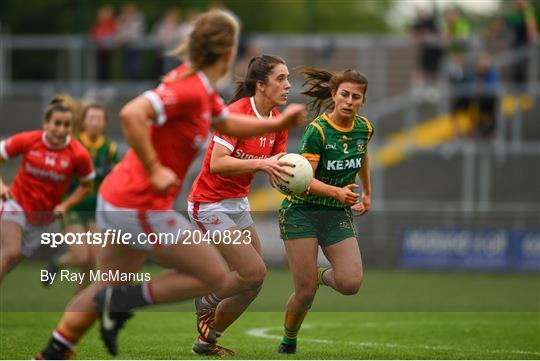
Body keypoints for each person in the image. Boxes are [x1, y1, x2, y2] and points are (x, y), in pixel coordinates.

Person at [35, 9, 306, 360]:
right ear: (226, 53)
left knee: (108, 282)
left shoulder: (204, 92)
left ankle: (54, 350)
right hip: (138, 202)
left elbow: (225, 123)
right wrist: (153, 166)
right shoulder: (189, 88)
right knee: (210, 274)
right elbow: (132, 113)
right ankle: (123, 303)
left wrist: (277, 124)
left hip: (123, 199)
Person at [187, 54, 292, 355]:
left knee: (254, 283)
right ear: (261, 85)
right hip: (208, 204)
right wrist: (263, 164)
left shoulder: (278, 122)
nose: (288, 85)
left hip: (236, 204)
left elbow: (278, 167)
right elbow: (218, 164)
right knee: (254, 272)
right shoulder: (236, 115)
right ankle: (206, 301)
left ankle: (207, 341)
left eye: (288, 78)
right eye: (281, 79)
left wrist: (290, 176)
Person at [277, 67, 374, 354]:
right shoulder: (317, 131)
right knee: (304, 293)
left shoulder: (364, 128)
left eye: (356, 97)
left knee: (350, 283)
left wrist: (367, 192)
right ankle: (289, 340)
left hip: (335, 214)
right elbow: (303, 184)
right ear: (334, 95)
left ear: (362, 101)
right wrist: (337, 192)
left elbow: (362, 155)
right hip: (302, 212)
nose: (349, 100)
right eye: (344, 94)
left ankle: (320, 276)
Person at [0, 97, 95, 283]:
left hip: (41, 219)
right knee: (11, 251)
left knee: (9, 262)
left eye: (66, 125)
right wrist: (2, 186)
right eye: (57, 123)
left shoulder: (78, 154)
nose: (61, 129)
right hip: (16, 204)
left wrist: (66, 204)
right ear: (46, 124)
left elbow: (87, 186)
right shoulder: (28, 140)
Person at [43, 103, 118, 291]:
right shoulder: (73, 145)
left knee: (94, 260)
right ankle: (57, 263)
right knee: (82, 256)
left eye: (99, 118)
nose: (95, 122)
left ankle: (78, 308)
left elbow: (117, 177)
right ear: (84, 121)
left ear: (105, 123)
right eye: (91, 118)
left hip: (95, 210)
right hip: (73, 207)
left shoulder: (109, 149)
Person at [90, 5, 118, 81]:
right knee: (99, 69)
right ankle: (99, 86)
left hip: (108, 51)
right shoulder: (97, 24)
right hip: (99, 50)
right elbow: (94, 35)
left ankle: (108, 86)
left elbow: (114, 35)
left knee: (108, 69)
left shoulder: (112, 24)